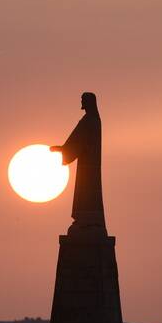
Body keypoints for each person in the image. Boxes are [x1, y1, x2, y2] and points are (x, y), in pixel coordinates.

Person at [50, 91, 105, 232]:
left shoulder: (90, 120)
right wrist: (63, 149)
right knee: (83, 189)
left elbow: (79, 140)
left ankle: (89, 221)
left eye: (83, 100)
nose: (81, 102)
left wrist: (63, 149)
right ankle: (84, 219)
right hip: (85, 163)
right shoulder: (89, 119)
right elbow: (77, 139)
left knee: (88, 190)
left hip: (90, 165)